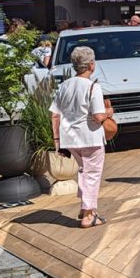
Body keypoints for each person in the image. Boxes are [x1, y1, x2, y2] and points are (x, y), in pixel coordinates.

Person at [49, 46, 112, 228]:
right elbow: (99, 116)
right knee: (92, 173)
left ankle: (86, 208)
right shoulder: (93, 87)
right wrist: (109, 112)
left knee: (84, 171)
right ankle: (89, 214)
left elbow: (55, 115)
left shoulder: (64, 85)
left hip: (70, 138)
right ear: (91, 65)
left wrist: (57, 141)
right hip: (90, 137)